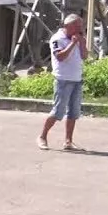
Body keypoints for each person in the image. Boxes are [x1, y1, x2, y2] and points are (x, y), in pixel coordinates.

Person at [39, 13, 88, 151]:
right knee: (57, 112)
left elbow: (84, 56)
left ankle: (68, 141)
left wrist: (82, 43)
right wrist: (73, 43)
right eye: (77, 26)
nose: (80, 29)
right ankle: (42, 136)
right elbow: (60, 57)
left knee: (73, 112)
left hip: (77, 79)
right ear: (68, 26)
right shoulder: (57, 38)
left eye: (81, 26)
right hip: (63, 80)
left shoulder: (79, 38)